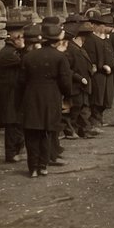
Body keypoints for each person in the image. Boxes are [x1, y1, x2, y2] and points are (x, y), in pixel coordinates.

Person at [19, 19, 73, 178]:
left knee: (32, 133)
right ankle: (43, 166)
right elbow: (65, 81)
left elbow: (21, 81)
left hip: (32, 97)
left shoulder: (29, 57)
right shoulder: (60, 57)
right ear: (57, 40)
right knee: (47, 132)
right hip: (51, 98)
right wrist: (67, 96)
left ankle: (33, 168)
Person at [0, 22, 27, 163]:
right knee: (12, 124)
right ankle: (11, 153)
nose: (23, 40)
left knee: (16, 123)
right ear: (15, 38)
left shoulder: (10, 52)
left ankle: (16, 151)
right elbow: (25, 62)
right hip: (9, 95)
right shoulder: (8, 54)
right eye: (21, 37)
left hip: (12, 94)